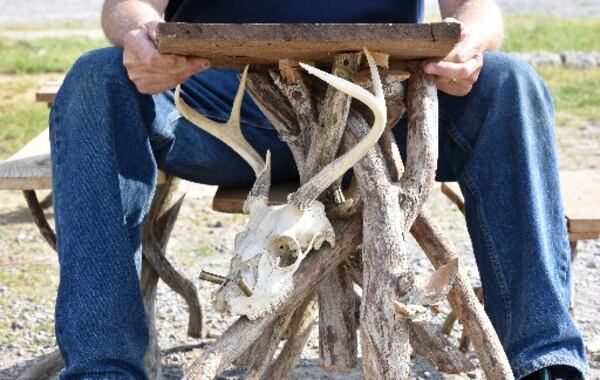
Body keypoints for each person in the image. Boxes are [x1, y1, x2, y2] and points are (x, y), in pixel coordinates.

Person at [49, 0, 588, 378]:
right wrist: (141, 34)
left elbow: (477, 8)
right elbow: (126, 5)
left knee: (510, 83)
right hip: (220, 109)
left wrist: (469, 40)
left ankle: (545, 360)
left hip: (379, 113)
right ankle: (101, 368)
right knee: (96, 78)